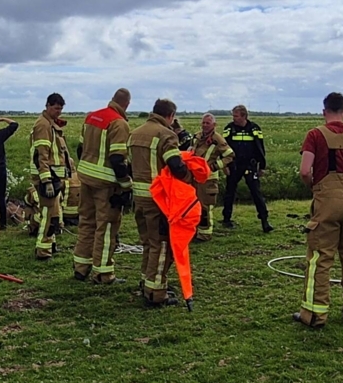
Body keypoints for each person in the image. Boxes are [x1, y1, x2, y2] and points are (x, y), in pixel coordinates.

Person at [294, 92, 343, 329]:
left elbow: (305, 171)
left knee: (320, 258)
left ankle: (315, 314)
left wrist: (317, 189)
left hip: (327, 201)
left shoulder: (314, 135)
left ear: (324, 111)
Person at [128, 98, 190, 307]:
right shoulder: (166, 134)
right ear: (170, 116)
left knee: (148, 243)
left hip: (139, 197)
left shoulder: (135, 133)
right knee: (162, 245)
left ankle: (146, 281)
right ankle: (156, 292)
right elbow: (176, 165)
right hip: (158, 200)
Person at [72, 88, 132, 284]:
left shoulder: (91, 117)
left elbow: (80, 148)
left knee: (86, 222)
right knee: (106, 227)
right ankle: (103, 273)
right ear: (127, 104)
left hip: (86, 178)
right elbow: (117, 159)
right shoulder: (119, 123)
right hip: (106, 183)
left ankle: (81, 268)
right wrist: (126, 185)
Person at [29, 93, 69, 260]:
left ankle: (50, 245)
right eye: (55, 108)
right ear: (47, 105)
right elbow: (41, 155)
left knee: (53, 215)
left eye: (60, 108)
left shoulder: (50, 124)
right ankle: (43, 250)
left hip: (54, 177)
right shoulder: (43, 125)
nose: (58, 112)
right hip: (47, 178)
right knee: (47, 215)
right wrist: (46, 181)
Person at [221, 104, 273, 233]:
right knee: (230, 192)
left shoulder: (254, 128)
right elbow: (222, 148)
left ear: (244, 116)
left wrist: (262, 166)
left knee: (256, 193)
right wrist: (225, 165)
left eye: (236, 116)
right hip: (234, 165)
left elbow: (260, 148)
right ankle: (226, 219)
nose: (234, 118)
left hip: (250, 165)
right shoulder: (229, 129)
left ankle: (264, 221)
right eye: (233, 116)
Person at [190, 113, 235, 242]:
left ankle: (205, 234)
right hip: (195, 176)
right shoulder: (197, 136)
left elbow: (230, 156)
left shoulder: (218, 139)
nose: (204, 125)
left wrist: (214, 166)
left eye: (207, 123)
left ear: (214, 125)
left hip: (208, 178)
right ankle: (195, 231)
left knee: (205, 207)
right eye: (203, 123)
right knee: (194, 205)